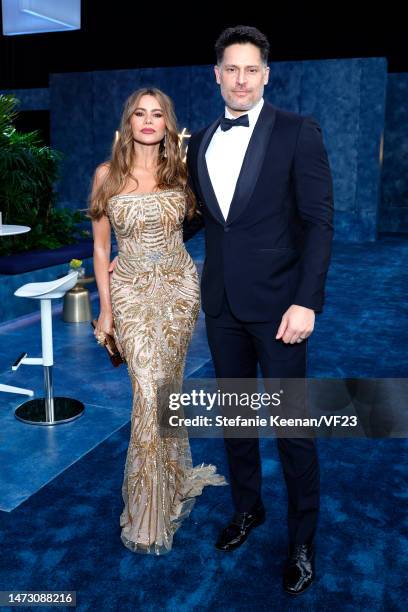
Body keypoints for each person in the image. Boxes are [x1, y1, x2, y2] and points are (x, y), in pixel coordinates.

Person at [186, 26, 334, 594]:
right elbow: (203, 218)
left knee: (292, 429)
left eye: (252, 69)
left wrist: (306, 301)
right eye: (231, 69)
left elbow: (320, 222)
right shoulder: (200, 140)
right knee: (238, 420)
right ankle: (249, 508)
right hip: (220, 306)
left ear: (266, 75)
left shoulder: (298, 132)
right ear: (216, 74)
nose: (242, 79)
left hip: (281, 309)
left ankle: (302, 540)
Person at [88, 88, 226, 556]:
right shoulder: (106, 176)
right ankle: (146, 511)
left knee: (165, 389)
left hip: (178, 290)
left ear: (168, 123)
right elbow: (102, 247)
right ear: (129, 123)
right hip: (129, 292)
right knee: (147, 391)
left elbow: (208, 221)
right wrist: (105, 310)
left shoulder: (180, 173)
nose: (148, 121)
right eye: (140, 114)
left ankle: (167, 487)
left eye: (157, 114)